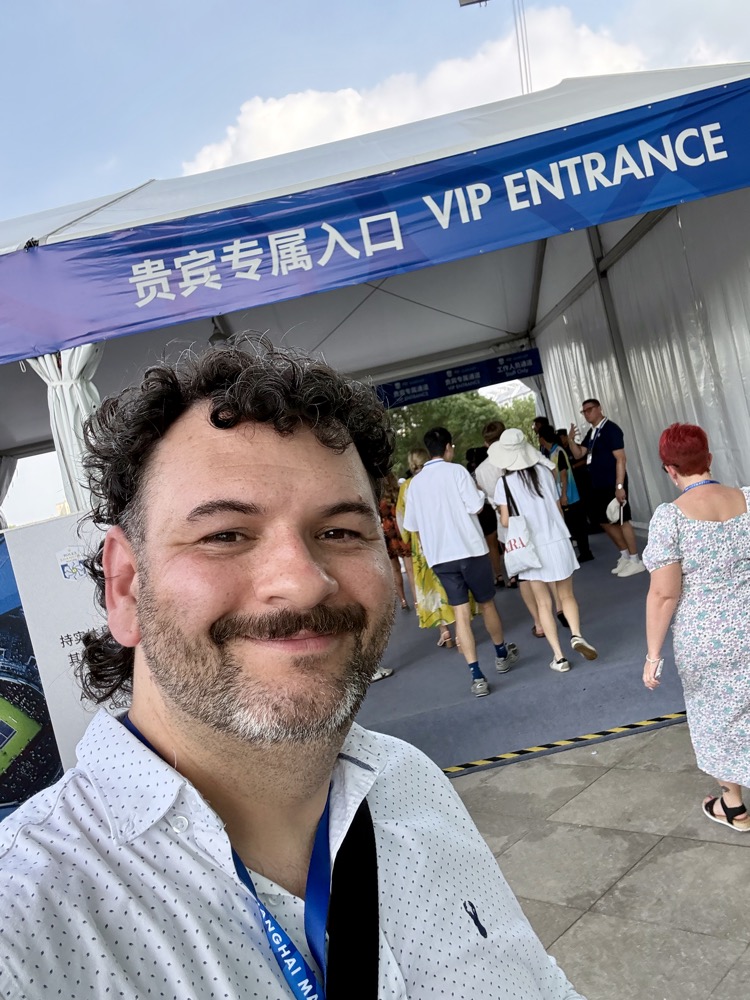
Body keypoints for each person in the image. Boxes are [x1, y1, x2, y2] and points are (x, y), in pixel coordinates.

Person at [0, 344, 584, 999]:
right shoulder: (24, 921)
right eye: (225, 534)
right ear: (127, 586)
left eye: (339, 531)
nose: (304, 584)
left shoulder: (409, 783)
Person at [643, 422, 750, 834]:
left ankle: (734, 806)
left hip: (706, 640)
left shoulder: (670, 518)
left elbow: (664, 595)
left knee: (718, 717)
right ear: (709, 458)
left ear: (669, 469)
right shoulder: (746, 499)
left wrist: (653, 655)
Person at [403, 426, 520, 698]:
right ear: (448, 447)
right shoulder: (456, 472)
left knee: (460, 615)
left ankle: (477, 676)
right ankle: (501, 655)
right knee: (487, 603)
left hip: (441, 558)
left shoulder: (415, 484)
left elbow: (413, 526)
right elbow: (476, 507)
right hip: (470, 550)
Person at [490, 429, 598, 673]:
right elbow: (557, 507)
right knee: (567, 595)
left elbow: (506, 521)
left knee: (542, 603)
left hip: (531, 548)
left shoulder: (504, 483)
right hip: (557, 539)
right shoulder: (543, 473)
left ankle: (559, 658)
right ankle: (577, 634)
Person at [396, 448, 476, 649]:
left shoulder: (407, 487)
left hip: (421, 545)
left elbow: (402, 521)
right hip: (443, 538)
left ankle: (444, 631)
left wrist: (409, 539)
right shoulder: (436, 479)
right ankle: (461, 630)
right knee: (450, 583)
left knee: (430, 587)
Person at [567, 399, 645, 577]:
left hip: (613, 483)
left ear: (599, 408)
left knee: (622, 520)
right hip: (597, 484)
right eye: (584, 411)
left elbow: (621, 459)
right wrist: (571, 439)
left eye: (590, 410)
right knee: (604, 520)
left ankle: (635, 559)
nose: (587, 414)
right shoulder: (592, 432)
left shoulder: (611, 429)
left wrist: (619, 486)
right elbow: (579, 453)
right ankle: (625, 555)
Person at [536, 424, 593, 562]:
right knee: (573, 525)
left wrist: (563, 495)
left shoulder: (558, 451)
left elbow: (563, 474)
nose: (538, 439)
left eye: (539, 436)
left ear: (543, 438)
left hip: (569, 495)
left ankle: (586, 552)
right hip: (565, 494)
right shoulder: (551, 453)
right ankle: (583, 552)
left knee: (577, 525)